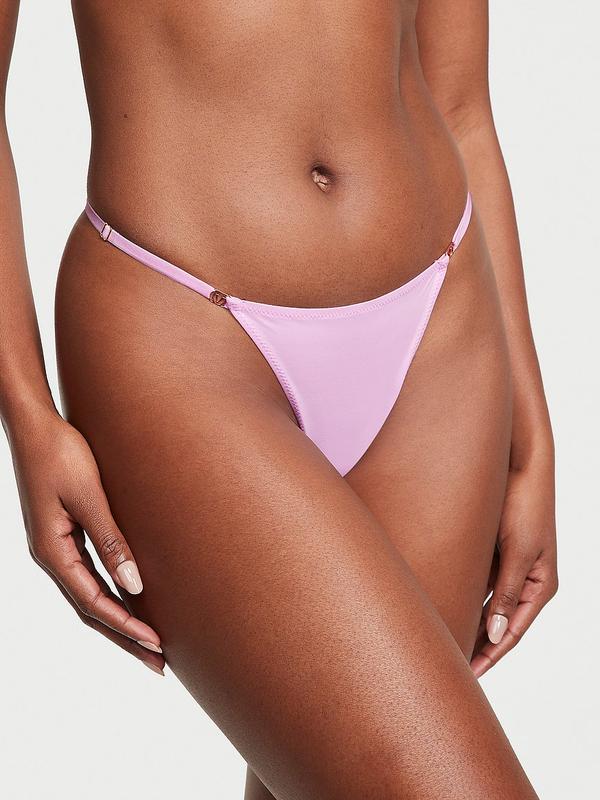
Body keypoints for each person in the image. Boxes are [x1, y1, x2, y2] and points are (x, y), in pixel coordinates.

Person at [0, 2, 557, 798]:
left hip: (441, 334)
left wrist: (532, 438)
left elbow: (462, 103)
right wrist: (27, 415)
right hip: (186, 338)